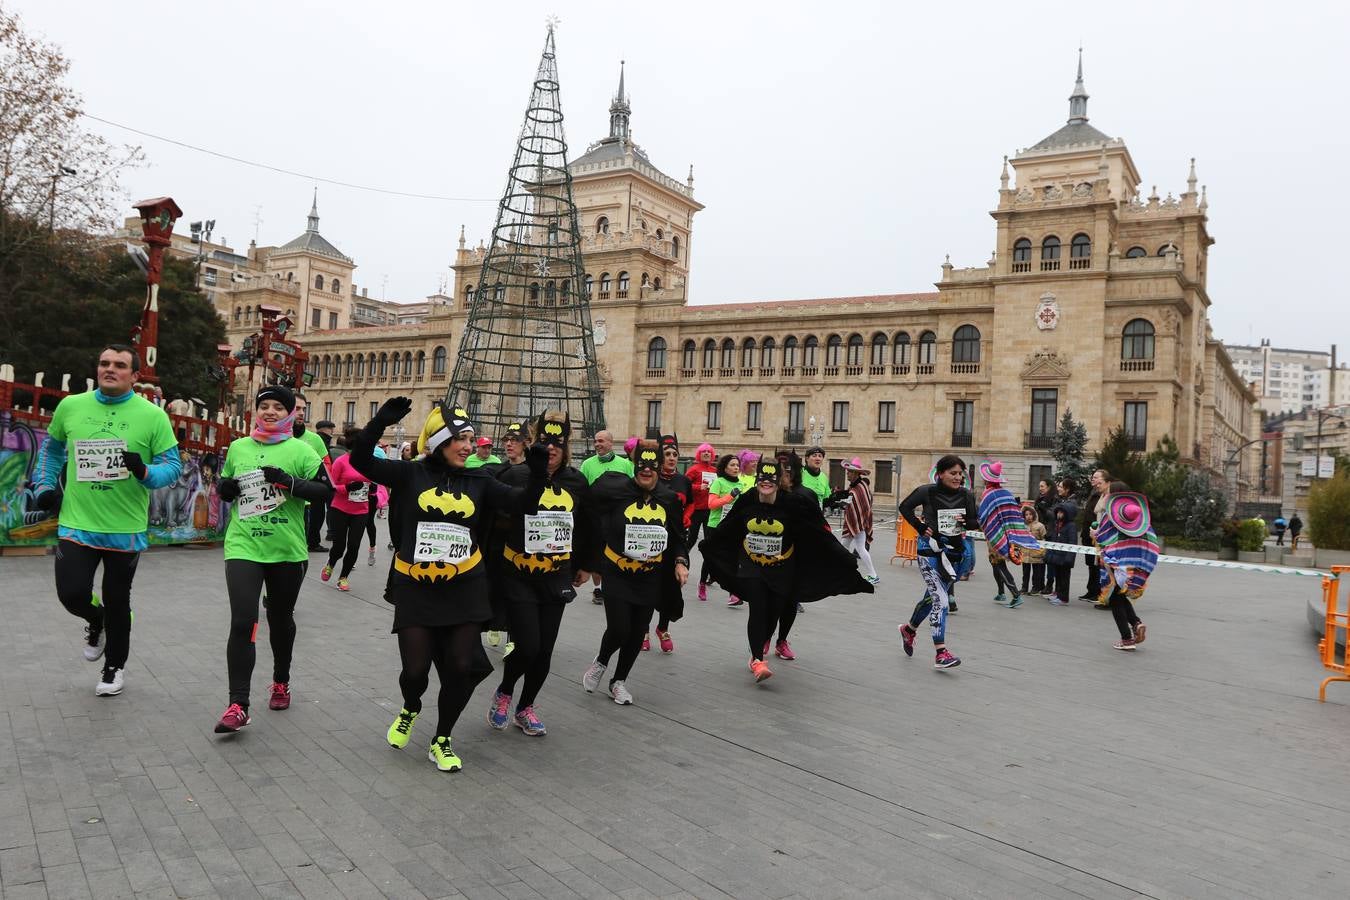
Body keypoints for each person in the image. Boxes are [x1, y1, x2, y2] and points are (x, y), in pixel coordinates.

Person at [349, 398, 547, 771]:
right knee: (415, 672)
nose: (469, 446)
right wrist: (379, 423)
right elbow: (361, 462)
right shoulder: (410, 474)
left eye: (472, 439)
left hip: (465, 587)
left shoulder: (480, 480)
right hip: (416, 587)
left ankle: (442, 738)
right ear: (440, 441)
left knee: (459, 667)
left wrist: (538, 475)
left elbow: (524, 505)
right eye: (462, 439)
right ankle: (410, 707)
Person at [28, 344, 181, 696]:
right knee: (71, 594)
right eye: (104, 363)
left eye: (120, 365)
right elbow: (52, 450)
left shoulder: (153, 416)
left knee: (118, 600)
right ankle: (97, 620)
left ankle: (114, 668)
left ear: (135, 375)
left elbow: (172, 467)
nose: (110, 369)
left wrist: (144, 472)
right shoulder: (71, 406)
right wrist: (45, 486)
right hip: (77, 522)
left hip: (124, 528)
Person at [212, 385, 330, 732]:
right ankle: (238, 704)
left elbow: (326, 491)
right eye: (264, 405)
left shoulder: (302, 450)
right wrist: (225, 488)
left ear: (290, 413)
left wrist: (289, 482)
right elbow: (225, 482)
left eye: (279, 406)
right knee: (242, 621)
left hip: (287, 550)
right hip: (243, 545)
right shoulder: (239, 447)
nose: (270, 412)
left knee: (280, 620)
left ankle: (281, 681)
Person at [702, 457, 872, 682]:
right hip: (752, 565)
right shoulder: (747, 499)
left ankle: (765, 642)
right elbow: (729, 526)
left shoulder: (792, 503)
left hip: (782, 567)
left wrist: (844, 556)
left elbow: (817, 531)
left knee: (773, 611)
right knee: (757, 608)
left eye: (771, 478)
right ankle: (757, 659)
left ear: (779, 479)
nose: (766, 482)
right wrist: (709, 545)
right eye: (762, 477)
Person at [487, 411, 595, 735]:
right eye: (545, 442)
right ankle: (505, 691)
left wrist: (585, 565)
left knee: (545, 650)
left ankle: (525, 707)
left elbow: (586, 526)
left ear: (566, 447)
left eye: (557, 443)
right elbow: (494, 519)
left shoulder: (576, 481)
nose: (551, 449)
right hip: (518, 573)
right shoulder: (516, 475)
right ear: (534, 443)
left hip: (556, 575)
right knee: (528, 645)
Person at [580, 440, 687, 705]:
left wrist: (680, 561)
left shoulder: (668, 499)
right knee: (619, 628)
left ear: (658, 467)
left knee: (638, 632)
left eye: (652, 465)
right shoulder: (615, 490)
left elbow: (677, 537)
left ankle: (618, 681)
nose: (646, 470)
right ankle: (601, 662)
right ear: (634, 465)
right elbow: (588, 510)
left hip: (650, 575)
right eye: (642, 465)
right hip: (617, 571)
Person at [896, 455, 978, 669]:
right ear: (940, 474)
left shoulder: (966, 495)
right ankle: (941, 653)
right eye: (953, 473)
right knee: (941, 600)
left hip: (955, 555)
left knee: (932, 598)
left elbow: (974, 522)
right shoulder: (927, 491)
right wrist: (920, 527)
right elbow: (905, 507)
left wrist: (966, 522)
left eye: (960, 473)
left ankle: (909, 630)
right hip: (929, 552)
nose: (958, 477)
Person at [1094, 482, 1159, 651]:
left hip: (1119, 564)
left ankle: (1127, 639)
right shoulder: (1139, 516)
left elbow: (1102, 537)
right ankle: (1136, 623)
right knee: (1120, 595)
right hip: (1136, 563)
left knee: (1115, 600)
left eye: (1108, 493)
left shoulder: (1112, 515)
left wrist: (1094, 534)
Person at [646, 434, 692, 652]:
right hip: (650, 539)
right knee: (648, 586)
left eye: (675, 454)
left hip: (674, 538)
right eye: (667, 454)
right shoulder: (650, 479)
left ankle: (662, 628)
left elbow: (691, 503)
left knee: (671, 589)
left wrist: (686, 517)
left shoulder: (683, 481)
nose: (672, 458)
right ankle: (643, 630)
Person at [579, 430, 634, 604]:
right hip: (596, 518)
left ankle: (614, 587)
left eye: (601, 441)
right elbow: (582, 490)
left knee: (616, 554)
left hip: (619, 518)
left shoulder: (625, 464)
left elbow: (634, 488)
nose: (597, 444)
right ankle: (598, 589)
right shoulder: (587, 464)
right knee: (598, 555)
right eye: (595, 441)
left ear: (611, 443)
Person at [323, 426, 371, 591]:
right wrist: (348, 488)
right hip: (340, 509)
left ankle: (343, 577)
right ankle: (331, 563)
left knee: (354, 546)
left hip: (361, 510)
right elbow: (331, 486)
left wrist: (374, 489)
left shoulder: (369, 462)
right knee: (339, 546)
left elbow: (377, 483)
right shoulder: (341, 461)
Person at [976, 461, 1027, 608]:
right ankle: (1001, 592)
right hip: (1006, 532)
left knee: (999, 563)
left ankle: (1016, 595)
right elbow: (1014, 512)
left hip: (995, 534)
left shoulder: (988, 494)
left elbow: (983, 516)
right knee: (994, 562)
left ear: (987, 479)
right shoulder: (1006, 493)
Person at [291, 395, 331, 553]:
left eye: (303, 409)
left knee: (299, 547)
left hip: (307, 501)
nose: (301, 413)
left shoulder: (315, 439)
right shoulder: (272, 438)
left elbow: (327, 466)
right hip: (278, 501)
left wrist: (316, 485)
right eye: (297, 409)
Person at [704, 453, 744, 606]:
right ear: (725, 467)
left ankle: (734, 594)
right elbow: (711, 504)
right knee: (710, 558)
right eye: (732, 465)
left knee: (734, 559)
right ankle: (702, 583)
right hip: (716, 525)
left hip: (732, 527)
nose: (736, 468)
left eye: (737, 465)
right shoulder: (718, 482)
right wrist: (730, 496)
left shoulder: (741, 484)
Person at [838, 458, 879, 584]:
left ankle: (872, 575)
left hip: (858, 522)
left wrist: (848, 507)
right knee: (846, 546)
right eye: (847, 472)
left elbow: (864, 505)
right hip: (856, 522)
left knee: (858, 548)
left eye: (849, 472)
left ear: (856, 473)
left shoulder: (860, 487)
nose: (847, 474)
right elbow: (852, 503)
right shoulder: (855, 486)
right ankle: (843, 571)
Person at [684, 442, 718, 582]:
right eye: (704, 451)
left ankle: (709, 573)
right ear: (699, 454)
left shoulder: (715, 470)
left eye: (709, 452)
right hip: (696, 510)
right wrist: (699, 487)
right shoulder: (694, 469)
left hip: (710, 510)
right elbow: (684, 485)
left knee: (710, 542)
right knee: (691, 540)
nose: (706, 453)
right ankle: (681, 563)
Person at [1079, 469, 1108, 601]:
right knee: (1091, 565)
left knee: (1097, 565)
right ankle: (1091, 590)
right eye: (1093, 477)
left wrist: (1095, 530)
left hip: (1097, 535)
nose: (1093, 479)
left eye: (1096, 477)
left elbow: (1097, 516)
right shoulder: (1094, 493)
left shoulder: (1104, 495)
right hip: (1088, 534)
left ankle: (1097, 592)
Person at [1043, 502, 1077, 606]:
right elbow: (1054, 539)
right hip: (1057, 557)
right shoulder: (1057, 524)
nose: (1059, 514)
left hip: (1065, 557)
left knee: (1064, 578)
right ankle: (1058, 594)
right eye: (1058, 512)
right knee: (1058, 576)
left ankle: (1063, 598)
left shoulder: (1071, 526)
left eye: (1061, 512)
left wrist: (1069, 558)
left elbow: (1073, 542)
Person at [1019, 506, 1048, 594]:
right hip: (1025, 553)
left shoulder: (1040, 526)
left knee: (1036, 573)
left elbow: (1044, 539)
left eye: (1030, 514)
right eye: (1026, 514)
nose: (1028, 516)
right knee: (1025, 572)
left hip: (1036, 553)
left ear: (1034, 515)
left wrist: (1042, 551)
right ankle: (1024, 587)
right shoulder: (1022, 526)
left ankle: (1036, 588)